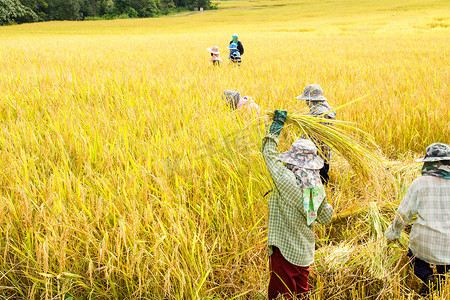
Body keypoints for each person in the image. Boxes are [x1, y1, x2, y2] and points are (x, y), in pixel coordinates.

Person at [262, 110, 334, 299]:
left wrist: (276, 126)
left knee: (280, 295)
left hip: (284, 251)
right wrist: (320, 202)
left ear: (293, 159)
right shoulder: (317, 187)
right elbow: (327, 217)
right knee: (301, 294)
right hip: (304, 252)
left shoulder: (286, 180)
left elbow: (269, 154)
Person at [385, 142, 450, 296]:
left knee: (414, 258)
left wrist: (393, 233)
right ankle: (444, 278)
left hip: (425, 247)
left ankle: (427, 275)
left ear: (428, 164)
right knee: (445, 263)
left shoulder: (419, 184)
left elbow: (403, 215)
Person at [296, 84, 336, 185]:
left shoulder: (317, 114)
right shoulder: (327, 109)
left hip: (317, 152)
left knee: (318, 179)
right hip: (325, 150)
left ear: (310, 100)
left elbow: (310, 136)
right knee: (323, 173)